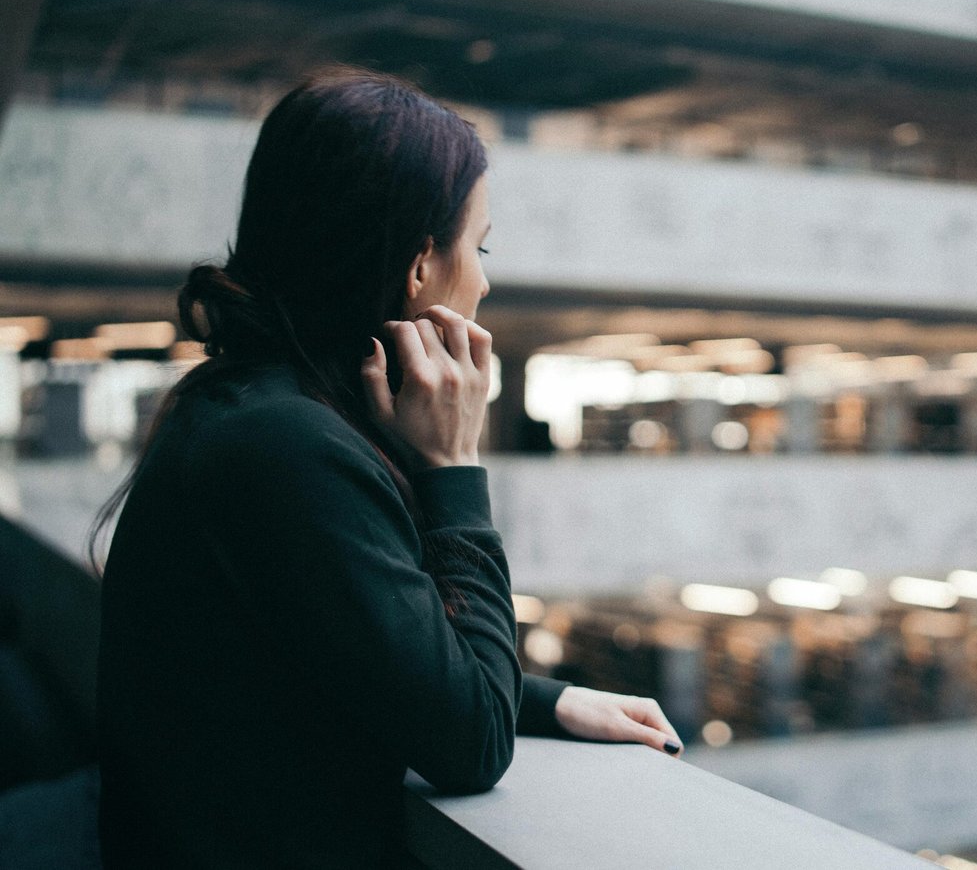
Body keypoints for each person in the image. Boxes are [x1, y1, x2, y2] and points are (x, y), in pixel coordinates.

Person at [94, 67, 682, 867]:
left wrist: (548, 698)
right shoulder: (290, 449)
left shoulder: (247, 405)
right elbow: (467, 742)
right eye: (478, 247)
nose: (484, 277)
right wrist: (454, 468)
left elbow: (364, 644)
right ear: (417, 269)